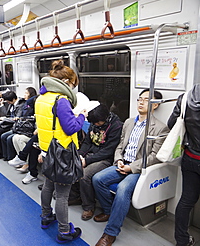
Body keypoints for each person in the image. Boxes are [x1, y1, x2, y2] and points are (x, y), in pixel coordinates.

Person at [92, 89, 170, 246]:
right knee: (97, 179)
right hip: (123, 162)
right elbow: (121, 145)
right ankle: (109, 210)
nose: (141, 102)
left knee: (123, 189)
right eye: (140, 99)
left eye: (147, 100)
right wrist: (119, 159)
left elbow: (153, 157)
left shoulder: (160, 128)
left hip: (140, 170)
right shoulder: (128, 122)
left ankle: (110, 233)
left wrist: (131, 168)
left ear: (155, 105)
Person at [36, 60, 86, 243]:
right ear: (66, 82)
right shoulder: (61, 100)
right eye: (73, 84)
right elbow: (71, 128)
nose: (73, 87)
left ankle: (46, 216)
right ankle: (64, 231)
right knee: (63, 194)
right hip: (61, 152)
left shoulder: (41, 98)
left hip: (47, 148)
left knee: (49, 185)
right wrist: (81, 116)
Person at [70, 104, 123, 221]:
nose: (95, 125)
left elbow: (108, 151)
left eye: (98, 123)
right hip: (91, 154)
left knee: (85, 175)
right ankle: (76, 196)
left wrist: (87, 160)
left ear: (105, 118)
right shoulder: (94, 124)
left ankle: (88, 206)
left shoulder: (116, 126)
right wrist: (80, 155)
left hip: (106, 159)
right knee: (73, 163)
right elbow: (87, 142)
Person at [169, 84, 200, 246]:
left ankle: (182, 240)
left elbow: (171, 124)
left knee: (187, 200)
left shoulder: (186, 97)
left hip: (190, 158)